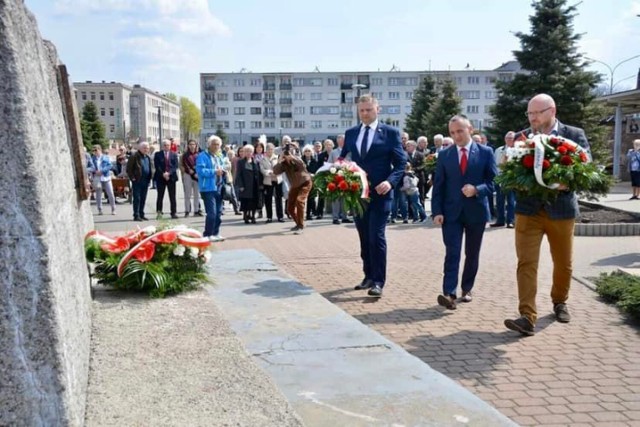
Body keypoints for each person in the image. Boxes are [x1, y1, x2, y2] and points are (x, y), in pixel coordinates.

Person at [504, 93, 591, 336]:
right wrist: (510, 171)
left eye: (537, 113)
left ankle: (560, 301)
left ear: (552, 111)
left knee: (563, 262)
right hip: (528, 210)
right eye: (529, 113)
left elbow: (587, 164)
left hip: (561, 209)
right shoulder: (522, 137)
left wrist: (567, 181)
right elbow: (511, 169)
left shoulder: (573, 135)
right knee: (526, 262)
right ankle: (526, 316)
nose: (532, 118)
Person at [340, 94, 406, 298]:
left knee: (376, 236)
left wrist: (390, 181)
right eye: (361, 110)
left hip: (381, 193)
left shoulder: (390, 133)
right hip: (359, 195)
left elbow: (401, 163)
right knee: (364, 236)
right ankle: (368, 275)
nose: (365, 113)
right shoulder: (351, 133)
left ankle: (378, 281)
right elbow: (343, 159)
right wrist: (340, 173)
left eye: (369, 109)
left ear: (378, 109)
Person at [431, 115, 497, 309]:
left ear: (470, 129)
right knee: (452, 253)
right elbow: (439, 186)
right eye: (452, 133)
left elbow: (494, 182)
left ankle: (467, 288)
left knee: (472, 253)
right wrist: (437, 211)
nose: (456, 136)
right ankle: (449, 293)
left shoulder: (485, 152)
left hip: (476, 211)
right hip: (451, 213)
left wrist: (477, 189)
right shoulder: (445, 155)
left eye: (460, 131)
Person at [272, 142, 313, 234]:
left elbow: (302, 165)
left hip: (305, 183)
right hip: (295, 185)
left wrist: (292, 156)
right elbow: (275, 171)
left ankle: (301, 226)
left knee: (299, 201)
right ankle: (298, 223)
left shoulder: (297, 159)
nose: (287, 154)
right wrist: (280, 160)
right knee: (289, 209)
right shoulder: (283, 163)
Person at [196, 135, 229, 242]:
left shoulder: (219, 156)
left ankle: (215, 233)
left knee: (219, 212)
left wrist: (224, 170)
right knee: (212, 212)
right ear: (209, 145)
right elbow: (200, 171)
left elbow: (222, 168)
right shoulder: (202, 156)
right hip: (208, 188)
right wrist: (214, 171)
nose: (216, 146)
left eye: (218, 144)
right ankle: (208, 234)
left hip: (219, 187)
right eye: (214, 144)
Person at [491, 131, 517, 228]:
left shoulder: (518, 150)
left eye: (511, 138)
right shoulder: (498, 150)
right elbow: (494, 164)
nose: (509, 140)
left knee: (511, 201)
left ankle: (511, 221)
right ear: (505, 139)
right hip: (499, 178)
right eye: (507, 138)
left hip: (511, 179)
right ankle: (500, 220)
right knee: (499, 201)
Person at [235, 144, 262, 224]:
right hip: (245, 185)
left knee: (254, 201)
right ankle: (246, 216)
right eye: (246, 151)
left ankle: (253, 216)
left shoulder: (255, 162)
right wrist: (241, 185)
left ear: (252, 152)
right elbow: (238, 174)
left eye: (250, 151)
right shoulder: (240, 162)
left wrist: (260, 184)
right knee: (245, 201)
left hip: (254, 185)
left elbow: (259, 174)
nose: (248, 153)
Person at [126, 142, 153, 221]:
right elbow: (129, 169)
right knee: (137, 198)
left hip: (146, 180)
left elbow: (150, 167)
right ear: (140, 148)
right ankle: (136, 215)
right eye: (144, 147)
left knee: (143, 198)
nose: (146, 149)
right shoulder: (134, 156)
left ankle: (141, 213)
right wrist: (132, 178)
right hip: (137, 180)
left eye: (147, 148)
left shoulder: (147, 157)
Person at [87, 145, 117, 215]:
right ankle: (100, 209)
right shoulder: (93, 158)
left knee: (111, 194)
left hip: (106, 177)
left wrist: (102, 171)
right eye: (93, 151)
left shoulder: (106, 157)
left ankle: (113, 209)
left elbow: (110, 165)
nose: (94, 152)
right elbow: (91, 167)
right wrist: (95, 171)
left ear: (99, 150)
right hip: (98, 178)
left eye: (95, 150)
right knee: (98, 195)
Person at [153, 139, 179, 219]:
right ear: (162, 146)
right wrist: (163, 174)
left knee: (172, 196)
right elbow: (157, 166)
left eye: (168, 145)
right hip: (161, 177)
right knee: (160, 196)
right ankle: (159, 213)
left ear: (170, 146)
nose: (166, 146)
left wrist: (169, 173)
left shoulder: (174, 154)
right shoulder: (158, 154)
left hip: (171, 178)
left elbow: (175, 166)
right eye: (165, 145)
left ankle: (173, 212)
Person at [259, 142, 285, 223]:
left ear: (274, 150)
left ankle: (280, 216)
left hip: (277, 180)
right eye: (268, 149)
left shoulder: (277, 158)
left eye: (271, 149)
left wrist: (276, 172)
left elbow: (281, 168)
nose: (270, 151)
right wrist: (269, 172)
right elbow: (262, 169)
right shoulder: (262, 159)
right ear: (266, 150)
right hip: (268, 181)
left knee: (279, 199)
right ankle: (269, 217)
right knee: (268, 199)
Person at [181, 139, 202, 217]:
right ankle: (187, 210)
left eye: (193, 144)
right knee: (187, 194)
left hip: (197, 176)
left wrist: (196, 172)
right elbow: (184, 164)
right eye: (190, 144)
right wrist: (190, 171)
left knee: (197, 194)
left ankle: (196, 210)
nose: (192, 146)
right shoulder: (185, 155)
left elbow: (201, 164)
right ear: (188, 146)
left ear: (196, 145)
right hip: (188, 175)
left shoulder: (199, 154)